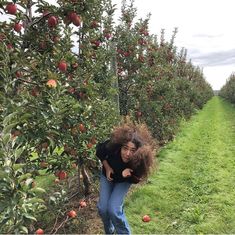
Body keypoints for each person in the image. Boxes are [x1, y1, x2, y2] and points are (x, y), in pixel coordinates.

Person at [96, 122, 156, 234]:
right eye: (125, 148)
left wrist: (125, 175)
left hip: (123, 181)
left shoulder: (139, 161)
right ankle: (109, 231)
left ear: (137, 152)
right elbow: (99, 151)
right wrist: (107, 167)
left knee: (113, 209)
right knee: (103, 209)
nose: (128, 153)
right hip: (107, 176)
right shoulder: (112, 146)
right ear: (120, 146)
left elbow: (136, 179)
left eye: (132, 150)